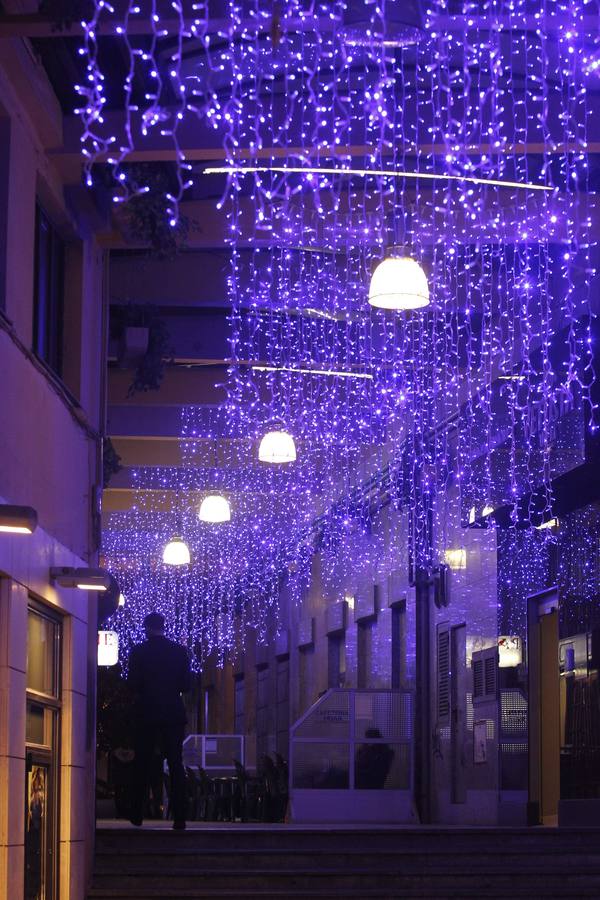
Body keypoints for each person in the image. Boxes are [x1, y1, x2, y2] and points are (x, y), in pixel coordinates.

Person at [128, 612, 191, 830]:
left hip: (147, 712)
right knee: (175, 764)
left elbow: (133, 684)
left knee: (142, 762)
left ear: (146, 628)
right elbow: (185, 685)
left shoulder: (138, 652)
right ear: (164, 627)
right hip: (173, 712)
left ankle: (137, 813)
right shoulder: (180, 652)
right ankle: (180, 817)